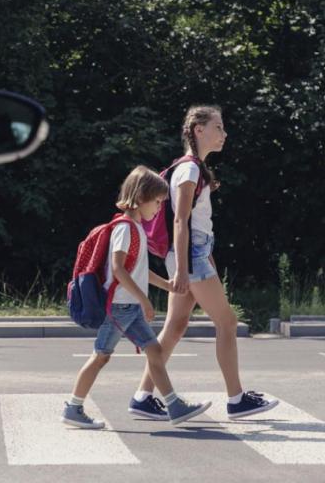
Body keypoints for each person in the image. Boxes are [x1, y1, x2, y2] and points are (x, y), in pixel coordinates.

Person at [128, 105, 279, 421]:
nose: (224, 134)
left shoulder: (193, 169)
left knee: (176, 325)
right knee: (227, 323)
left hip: (194, 254)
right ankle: (237, 399)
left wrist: (197, 259)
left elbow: (192, 223)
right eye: (218, 127)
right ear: (199, 130)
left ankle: (142, 397)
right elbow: (180, 221)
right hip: (189, 256)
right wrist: (184, 269)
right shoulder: (190, 170)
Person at [62, 166, 212, 429]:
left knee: (154, 350)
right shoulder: (125, 228)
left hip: (127, 306)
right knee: (101, 356)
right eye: (157, 202)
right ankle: (73, 407)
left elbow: (138, 270)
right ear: (141, 198)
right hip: (119, 306)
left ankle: (174, 405)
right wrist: (144, 299)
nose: (158, 209)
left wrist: (166, 285)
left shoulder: (136, 229)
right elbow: (119, 268)